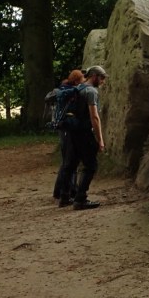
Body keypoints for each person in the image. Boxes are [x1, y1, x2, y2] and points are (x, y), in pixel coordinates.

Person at [57, 65, 107, 210]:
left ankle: (64, 197)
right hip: (84, 133)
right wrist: (100, 139)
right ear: (94, 76)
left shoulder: (78, 88)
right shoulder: (91, 91)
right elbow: (94, 117)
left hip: (72, 131)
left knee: (70, 165)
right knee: (91, 165)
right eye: (102, 78)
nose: (103, 81)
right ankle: (80, 199)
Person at [50, 69, 85, 201]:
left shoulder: (65, 88)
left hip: (64, 128)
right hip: (66, 128)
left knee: (67, 162)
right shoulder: (67, 91)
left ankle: (61, 191)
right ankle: (67, 191)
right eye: (81, 79)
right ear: (76, 81)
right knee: (69, 162)